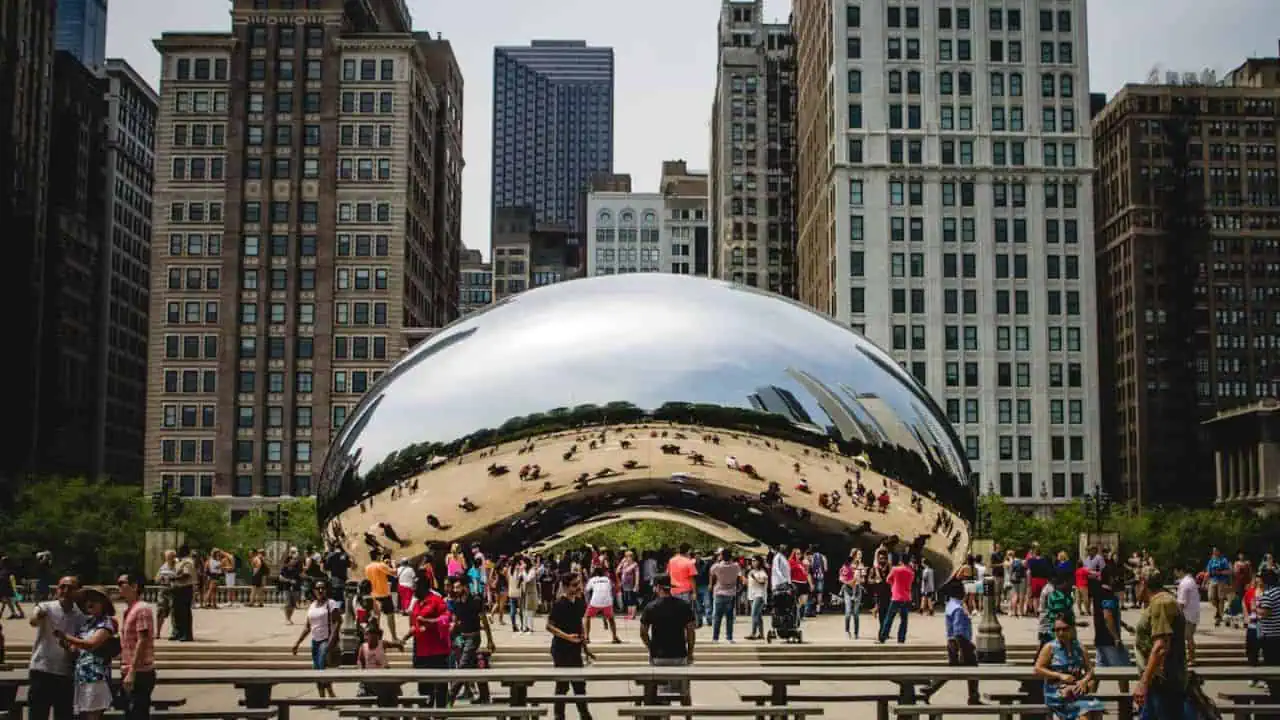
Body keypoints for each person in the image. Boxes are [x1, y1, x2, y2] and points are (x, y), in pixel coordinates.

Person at [1133, 573, 1195, 718]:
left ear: (1144, 584)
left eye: (1136, 585)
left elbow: (1161, 646)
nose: (1134, 589)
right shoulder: (1158, 602)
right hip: (1157, 682)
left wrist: (1143, 683)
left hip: (1164, 683)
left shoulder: (1161, 603)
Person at [56, 586, 119, 720]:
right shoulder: (87, 623)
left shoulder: (106, 622)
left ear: (103, 604)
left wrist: (67, 637)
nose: (90, 603)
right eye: (88, 600)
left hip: (96, 677)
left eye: (95, 600)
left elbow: (91, 644)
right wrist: (67, 645)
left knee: (93, 716)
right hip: (82, 676)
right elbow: (77, 650)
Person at [27, 575, 85, 720]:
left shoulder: (80, 617)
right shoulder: (47, 606)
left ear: (78, 591)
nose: (65, 591)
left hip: (65, 674)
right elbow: (34, 619)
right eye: (62, 587)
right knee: (37, 715)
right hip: (42, 670)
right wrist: (37, 616)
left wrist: (69, 647)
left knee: (64, 715)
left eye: (70, 588)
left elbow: (79, 646)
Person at [639, 575, 696, 704]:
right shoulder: (683, 605)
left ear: (658, 587)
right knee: (684, 692)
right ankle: (688, 716)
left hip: (659, 656)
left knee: (662, 694)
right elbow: (691, 631)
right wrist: (690, 652)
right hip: (679, 654)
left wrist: (650, 647)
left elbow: (643, 633)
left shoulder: (651, 607)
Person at [546, 571, 594, 720]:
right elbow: (549, 626)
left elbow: (579, 622)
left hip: (575, 649)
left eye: (579, 583)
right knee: (562, 685)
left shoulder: (579, 602)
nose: (579, 587)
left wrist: (585, 643)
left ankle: (584, 714)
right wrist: (568, 637)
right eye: (574, 585)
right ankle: (559, 716)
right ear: (566, 587)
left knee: (579, 685)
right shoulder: (559, 604)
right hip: (561, 650)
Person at [1035, 617, 1104, 720]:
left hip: (1075, 690)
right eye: (1056, 630)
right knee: (1085, 712)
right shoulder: (1050, 647)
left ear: (1072, 629)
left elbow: (1089, 669)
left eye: (1064, 629)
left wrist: (1084, 681)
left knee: (1096, 709)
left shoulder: (1079, 647)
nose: (1060, 632)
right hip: (1056, 693)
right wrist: (1060, 675)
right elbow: (1038, 668)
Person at [290, 581, 342, 698]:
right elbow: (308, 627)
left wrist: (332, 640)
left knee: (321, 667)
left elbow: (338, 622)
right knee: (316, 669)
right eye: (317, 588)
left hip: (325, 639)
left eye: (322, 588)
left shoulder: (331, 603)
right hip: (315, 641)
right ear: (313, 590)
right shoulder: (312, 605)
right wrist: (297, 643)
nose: (320, 591)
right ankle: (323, 696)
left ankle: (329, 694)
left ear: (326, 590)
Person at [117, 572, 157, 720]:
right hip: (129, 668)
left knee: (137, 713)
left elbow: (143, 639)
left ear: (134, 586)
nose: (119, 587)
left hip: (140, 671)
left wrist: (132, 671)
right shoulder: (128, 610)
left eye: (122, 583)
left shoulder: (142, 609)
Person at [407, 582, 451, 707]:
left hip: (438, 652)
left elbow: (446, 619)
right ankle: (425, 713)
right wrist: (404, 638)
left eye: (415, 587)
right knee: (424, 689)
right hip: (421, 652)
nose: (413, 590)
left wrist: (429, 621)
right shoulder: (416, 604)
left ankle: (440, 715)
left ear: (424, 588)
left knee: (440, 687)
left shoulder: (437, 601)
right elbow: (416, 626)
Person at [1092, 565, 1131, 667]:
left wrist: (1124, 625)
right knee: (1124, 671)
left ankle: (1086, 683)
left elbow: (1104, 615)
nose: (1118, 579)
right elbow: (1107, 616)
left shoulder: (1097, 592)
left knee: (1098, 673)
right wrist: (1116, 638)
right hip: (1110, 640)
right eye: (1116, 576)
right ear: (1110, 578)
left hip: (1099, 638)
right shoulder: (1108, 595)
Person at [878, 554, 914, 644]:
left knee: (889, 618)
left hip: (896, 597)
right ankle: (901, 638)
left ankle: (883, 637)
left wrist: (894, 585)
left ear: (900, 561)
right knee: (904, 620)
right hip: (906, 597)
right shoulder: (911, 572)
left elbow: (888, 579)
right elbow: (910, 583)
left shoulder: (895, 569)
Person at [584, 566, 620, 644]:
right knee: (611, 619)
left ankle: (586, 637)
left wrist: (587, 602)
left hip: (595, 602)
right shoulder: (607, 579)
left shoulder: (592, 580)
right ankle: (614, 637)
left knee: (587, 617)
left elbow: (586, 590)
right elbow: (613, 588)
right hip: (607, 602)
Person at [1174, 563, 1200, 666]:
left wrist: (1176, 615)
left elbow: (1181, 603)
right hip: (1192, 614)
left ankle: (1191, 659)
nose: (1175, 574)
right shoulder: (1190, 581)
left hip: (1187, 615)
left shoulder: (1185, 583)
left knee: (1187, 638)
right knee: (1189, 638)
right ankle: (1190, 658)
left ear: (1180, 571)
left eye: (1175, 571)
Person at [839, 550, 865, 639]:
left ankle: (856, 632)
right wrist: (849, 581)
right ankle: (847, 631)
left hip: (857, 589)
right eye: (858, 554)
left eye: (860, 555)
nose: (860, 556)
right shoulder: (846, 565)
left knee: (856, 613)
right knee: (848, 612)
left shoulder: (861, 566)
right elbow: (841, 578)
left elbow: (863, 579)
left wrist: (858, 579)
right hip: (848, 589)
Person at [1205, 546, 1231, 627]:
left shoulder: (1224, 560)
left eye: (1216, 550)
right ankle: (1220, 611)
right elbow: (1208, 572)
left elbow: (1229, 571)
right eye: (1213, 551)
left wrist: (1220, 572)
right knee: (1211, 598)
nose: (1214, 552)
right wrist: (1205, 582)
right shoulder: (1211, 560)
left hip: (1221, 581)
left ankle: (1219, 616)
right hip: (1213, 580)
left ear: (1219, 551)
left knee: (1221, 598)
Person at [745, 556, 769, 640]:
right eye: (752, 561)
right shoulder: (751, 571)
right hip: (752, 595)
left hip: (759, 595)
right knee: (758, 616)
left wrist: (754, 578)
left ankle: (753, 633)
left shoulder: (762, 572)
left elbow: (762, 583)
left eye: (755, 561)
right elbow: (749, 583)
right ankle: (761, 634)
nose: (753, 562)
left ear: (759, 562)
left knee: (754, 614)